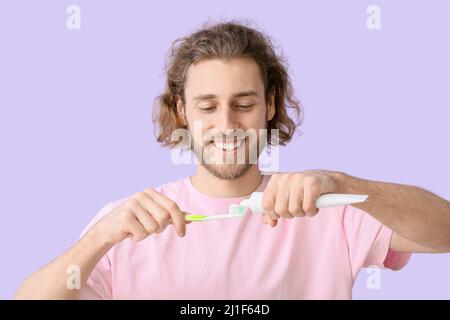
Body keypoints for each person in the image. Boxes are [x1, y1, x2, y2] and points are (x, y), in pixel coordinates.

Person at [15, 21, 450, 300]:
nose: (228, 124)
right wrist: (97, 240)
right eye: (207, 107)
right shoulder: (127, 224)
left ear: (269, 104)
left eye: (243, 104)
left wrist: (339, 181)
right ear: (182, 112)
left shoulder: (330, 208)